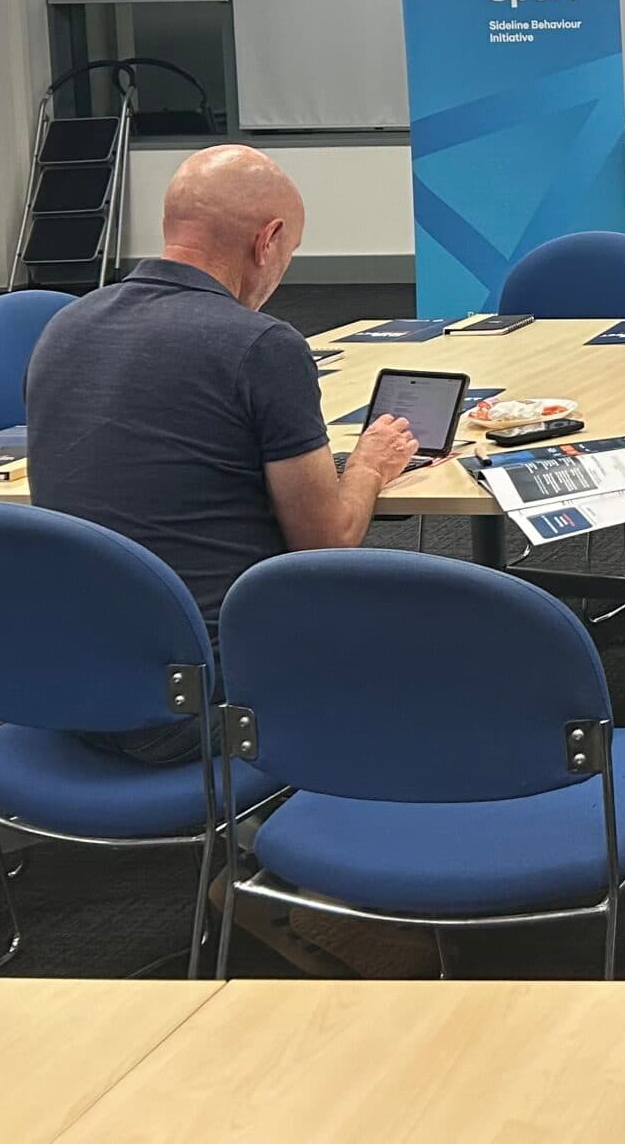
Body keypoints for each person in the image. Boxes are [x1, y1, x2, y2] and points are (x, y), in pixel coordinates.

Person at [30, 144, 418, 761]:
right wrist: (369, 464)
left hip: (62, 685)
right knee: (427, 625)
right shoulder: (262, 345)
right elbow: (326, 543)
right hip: (204, 700)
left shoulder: (64, 326)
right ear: (268, 240)